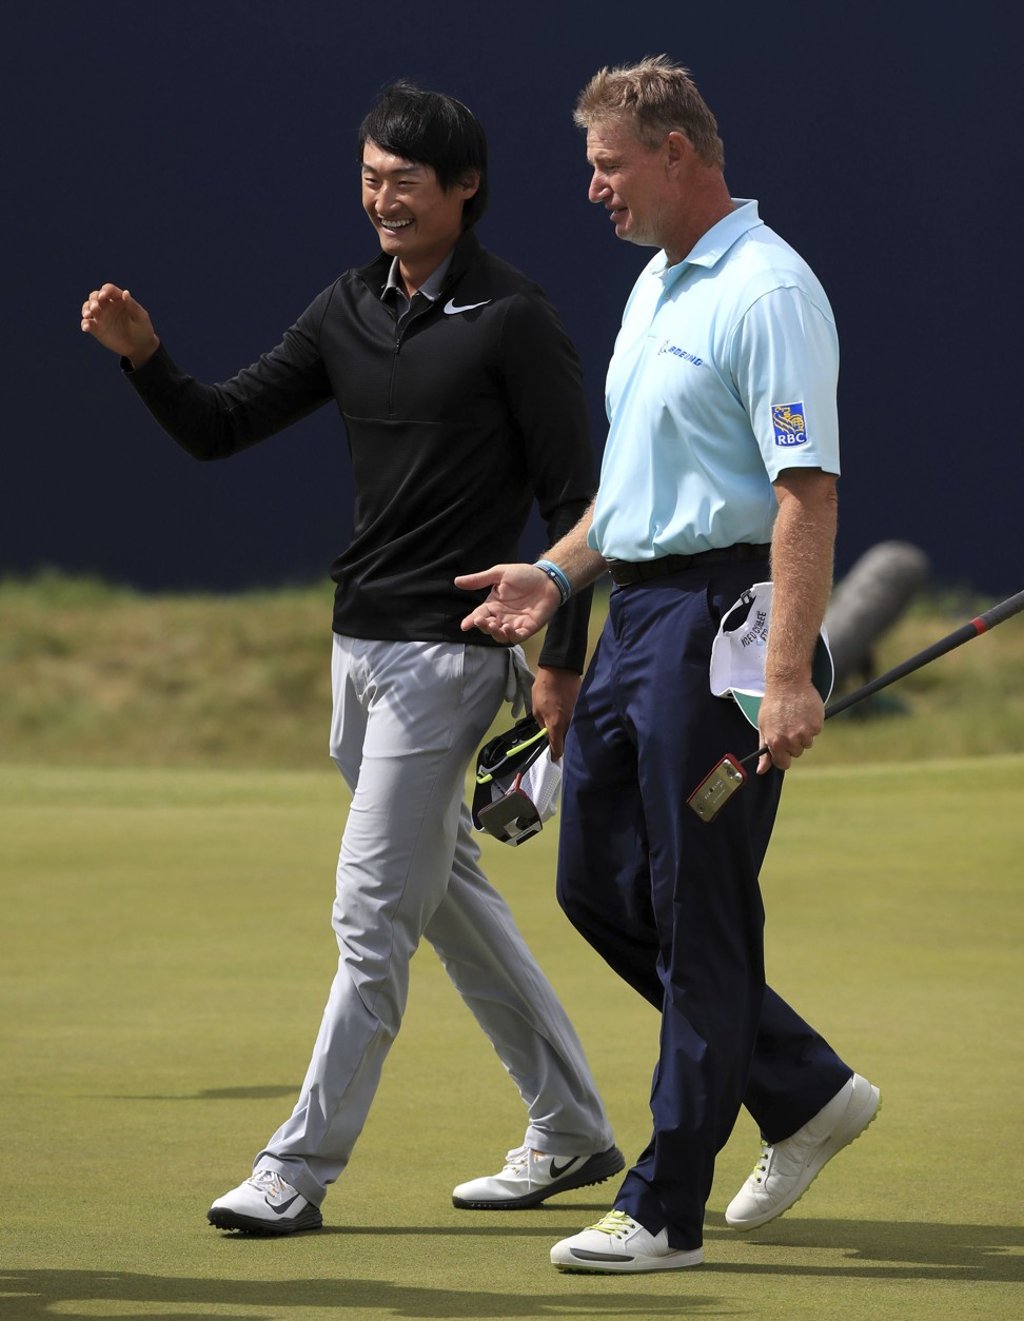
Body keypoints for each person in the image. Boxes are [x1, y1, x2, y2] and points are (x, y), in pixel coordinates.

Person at [80, 81, 623, 1236]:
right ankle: (572, 1126)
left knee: (370, 913)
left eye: (404, 182)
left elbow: (582, 504)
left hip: (451, 658)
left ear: (464, 189)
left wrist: (560, 660)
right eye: (370, 178)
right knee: (449, 900)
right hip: (357, 652)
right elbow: (221, 425)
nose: (382, 198)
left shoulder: (513, 318)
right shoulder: (347, 306)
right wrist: (147, 358)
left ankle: (296, 1168)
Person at [457, 55, 879, 1274]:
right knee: (597, 885)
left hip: (722, 625)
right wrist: (555, 576)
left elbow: (804, 494)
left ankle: (663, 1205)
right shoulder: (655, 284)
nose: (593, 188)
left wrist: (784, 675)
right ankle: (801, 1087)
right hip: (636, 620)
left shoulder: (767, 290)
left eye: (608, 166)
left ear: (676, 155)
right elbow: (636, 493)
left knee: (700, 909)